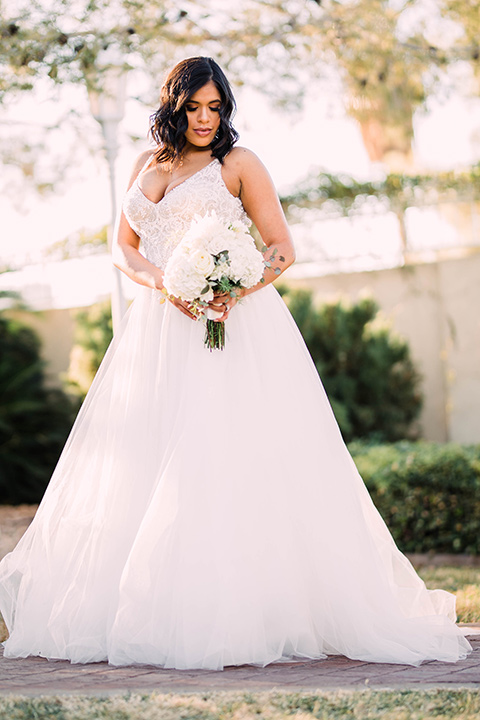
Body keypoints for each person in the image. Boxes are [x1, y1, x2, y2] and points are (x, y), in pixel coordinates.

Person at [0, 56, 472, 671]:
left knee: (222, 454)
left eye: (214, 107)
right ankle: (138, 604)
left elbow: (280, 249)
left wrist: (233, 288)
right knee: (146, 453)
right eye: (193, 107)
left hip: (231, 326)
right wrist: (164, 285)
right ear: (173, 106)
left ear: (225, 109)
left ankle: (240, 608)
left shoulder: (239, 165)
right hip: (158, 325)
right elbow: (122, 246)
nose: (204, 119)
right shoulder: (148, 165)